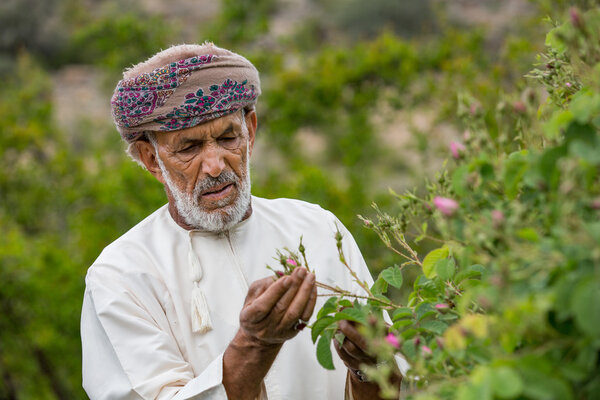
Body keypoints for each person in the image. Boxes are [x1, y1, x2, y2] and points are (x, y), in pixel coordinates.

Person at [81, 42, 403, 400]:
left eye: (227, 137)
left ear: (250, 130)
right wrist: (255, 345)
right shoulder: (121, 274)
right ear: (151, 159)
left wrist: (369, 369)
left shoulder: (317, 229)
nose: (216, 164)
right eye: (189, 148)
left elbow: (389, 381)